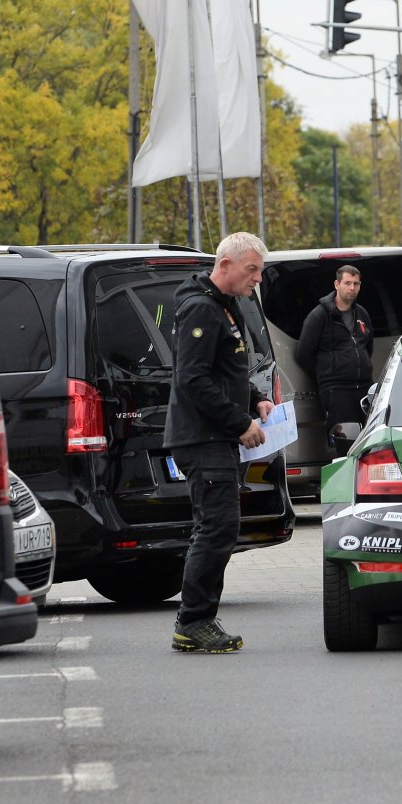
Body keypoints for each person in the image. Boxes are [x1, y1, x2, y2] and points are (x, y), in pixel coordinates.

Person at [164, 232, 273, 654]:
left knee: (219, 527)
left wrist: (256, 400)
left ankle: (197, 618)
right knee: (216, 528)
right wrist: (239, 421)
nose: (257, 279)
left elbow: (224, 372)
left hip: (214, 435)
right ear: (225, 264)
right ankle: (194, 621)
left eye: (260, 271)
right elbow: (192, 379)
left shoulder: (224, 308)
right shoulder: (201, 309)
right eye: (252, 270)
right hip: (203, 437)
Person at [295, 263, 375, 450]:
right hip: (337, 390)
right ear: (336, 284)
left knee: (369, 442)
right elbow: (303, 353)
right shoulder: (320, 315)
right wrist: (326, 373)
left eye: (356, 284)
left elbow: (367, 346)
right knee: (345, 444)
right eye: (347, 283)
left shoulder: (361, 313)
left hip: (364, 387)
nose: (352, 288)